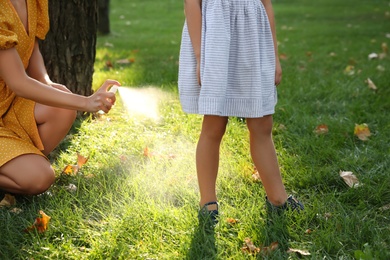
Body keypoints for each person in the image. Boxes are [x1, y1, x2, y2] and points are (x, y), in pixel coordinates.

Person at [178, 0, 304, 224]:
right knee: (214, 125)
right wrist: (200, 58)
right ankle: (208, 201)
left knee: (262, 124)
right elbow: (191, 3)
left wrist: (274, 56)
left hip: (253, 42)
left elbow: (266, 5)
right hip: (216, 42)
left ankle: (277, 197)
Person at [0, 0, 120, 200]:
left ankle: (18, 168)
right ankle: (22, 173)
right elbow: (18, 83)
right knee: (40, 178)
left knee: (61, 105)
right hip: (12, 93)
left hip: (9, 103)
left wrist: (48, 84)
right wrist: (86, 102)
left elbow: (32, 50)